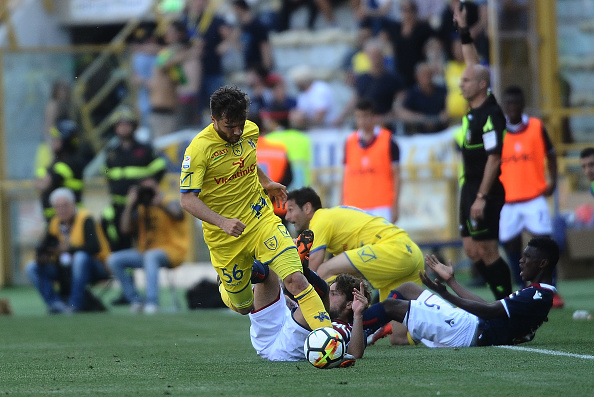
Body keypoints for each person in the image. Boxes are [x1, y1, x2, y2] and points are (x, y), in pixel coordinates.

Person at [179, 86, 332, 332]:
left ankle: (330, 339)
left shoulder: (250, 130)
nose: (237, 131)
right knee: (243, 306)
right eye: (230, 126)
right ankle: (236, 279)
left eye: (241, 124)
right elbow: (187, 200)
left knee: (295, 279)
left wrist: (266, 182)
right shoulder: (198, 150)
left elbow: (247, 161)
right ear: (213, 120)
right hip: (225, 237)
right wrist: (223, 222)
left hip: (260, 219)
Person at [362, 237, 560, 348]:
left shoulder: (538, 295)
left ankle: (351, 332)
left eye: (527, 257)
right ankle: (372, 329)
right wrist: (451, 282)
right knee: (408, 288)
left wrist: (446, 294)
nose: (521, 260)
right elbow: (487, 307)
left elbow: (488, 311)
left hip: (465, 332)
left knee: (391, 306)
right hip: (467, 322)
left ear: (543, 263)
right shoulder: (537, 293)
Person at [453, 4, 512, 300]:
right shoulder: (473, 106)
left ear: (480, 86)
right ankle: (497, 299)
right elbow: (472, 64)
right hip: (468, 186)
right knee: (471, 249)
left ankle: (506, 303)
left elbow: (494, 158)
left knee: (487, 249)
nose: (460, 83)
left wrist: (481, 197)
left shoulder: (491, 114)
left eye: (465, 81)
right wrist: (463, 29)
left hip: (483, 189)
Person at [498, 86, 560, 298]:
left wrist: (553, 179)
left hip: (534, 197)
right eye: (509, 103)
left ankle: (552, 288)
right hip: (508, 199)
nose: (513, 107)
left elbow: (551, 155)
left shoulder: (536, 126)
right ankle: (521, 284)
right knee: (509, 242)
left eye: (516, 103)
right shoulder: (498, 130)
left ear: (522, 104)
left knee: (545, 243)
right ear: (505, 106)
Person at [249, 263, 370, 365]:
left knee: (322, 292)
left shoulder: (352, 330)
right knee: (267, 271)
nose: (330, 296)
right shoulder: (309, 307)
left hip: (289, 350)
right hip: (267, 338)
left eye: (334, 294)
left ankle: (301, 266)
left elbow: (355, 354)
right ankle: (240, 269)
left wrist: (358, 314)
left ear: (349, 304)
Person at [108, 178, 189, 314]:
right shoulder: (141, 207)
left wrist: (159, 203)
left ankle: (152, 302)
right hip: (145, 252)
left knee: (151, 257)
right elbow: (125, 229)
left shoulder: (167, 201)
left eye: (150, 189)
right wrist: (130, 204)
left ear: (157, 188)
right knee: (114, 260)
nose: (148, 193)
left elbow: (178, 214)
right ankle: (136, 300)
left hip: (172, 250)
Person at [26, 188, 111, 313]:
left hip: (95, 266)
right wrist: (43, 255)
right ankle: (56, 304)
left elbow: (94, 247)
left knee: (80, 257)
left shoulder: (86, 218)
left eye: (65, 205)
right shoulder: (54, 223)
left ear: (73, 204)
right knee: (32, 267)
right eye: (58, 207)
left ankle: (74, 304)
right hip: (65, 268)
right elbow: (43, 247)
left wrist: (69, 250)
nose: (62, 210)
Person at [342, 99, 400, 223]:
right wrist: (342, 204)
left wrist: (395, 205)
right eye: (358, 117)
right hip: (355, 205)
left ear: (373, 117)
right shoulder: (349, 142)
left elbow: (397, 175)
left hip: (381, 206)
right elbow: (345, 176)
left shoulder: (388, 141)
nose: (362, 121)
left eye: (365, 116)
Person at [35, 119, 86, 222]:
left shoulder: (72, 162)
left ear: (67, 142)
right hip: (56, 222)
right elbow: (38, 183)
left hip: (69, 221)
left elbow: (44, 183)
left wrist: (43, 180)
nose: (53, 142)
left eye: (57, 139)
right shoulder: (57, 162)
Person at [149, 21, 190, 139]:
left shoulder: (173, 55)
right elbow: (162, 65)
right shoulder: (166, 54)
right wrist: (185, 55)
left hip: (171, 110)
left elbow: (183, 81)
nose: (167, 34)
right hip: (160, 110)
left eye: (170, 32)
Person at [396, 62, 448, 134]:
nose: (427, 77)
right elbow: (401, 112)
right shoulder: (413, 93)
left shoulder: (441, 90)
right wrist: (422, 119)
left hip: (442, 132)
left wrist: (446, 112)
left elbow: (450, 105)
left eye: (429, 74)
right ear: (417, 76)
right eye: (424, 74)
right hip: (421, 135)